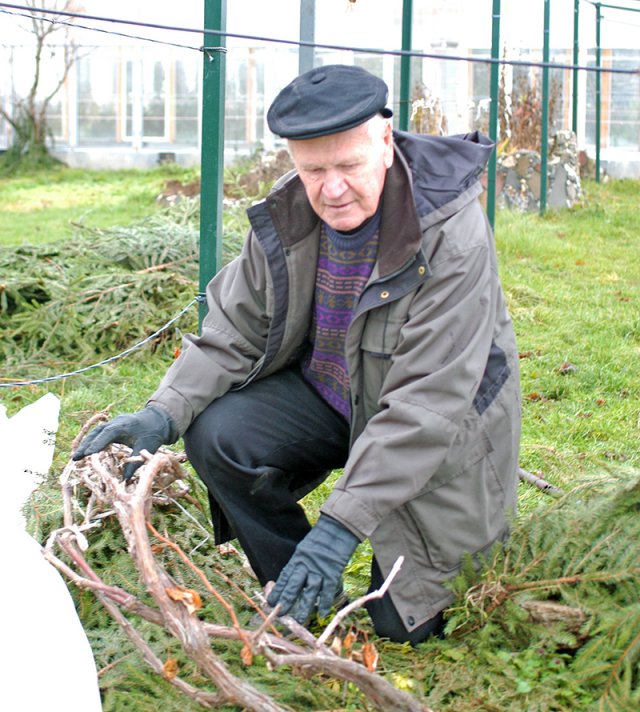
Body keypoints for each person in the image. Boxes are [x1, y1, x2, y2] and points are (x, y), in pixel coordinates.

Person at [74, 64, 521, 645]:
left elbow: (427, 405)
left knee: (410, 625)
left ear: (385, 142)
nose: (331, 189)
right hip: (334, 398)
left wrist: (339, 529)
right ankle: (296, 584)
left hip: (441, 434)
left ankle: (328, 555)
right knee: (217, 432)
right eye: (312, 170)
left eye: (348, 166)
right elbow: (234, 328)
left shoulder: (450, 232)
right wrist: (162, 412)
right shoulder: (288, 217)